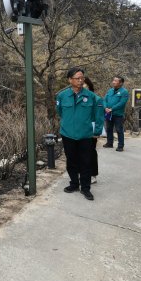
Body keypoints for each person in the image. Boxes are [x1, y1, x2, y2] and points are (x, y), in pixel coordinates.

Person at [56, 67, 104, 201]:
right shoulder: (62, 96)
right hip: (67, 134)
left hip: (85, 135)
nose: (81, 80)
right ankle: (74, 184)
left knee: (85, 162)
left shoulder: (92, 97)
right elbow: (60, 111)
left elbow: (99, 116)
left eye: (82, 78)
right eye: (77, 78)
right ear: (70, 80)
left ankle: (86, 188)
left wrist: (97, 131)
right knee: (71, 161)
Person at [84, 77, 104, 184]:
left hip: (91, 129)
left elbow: (99, 117)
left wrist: (97, 131)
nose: (82, 88)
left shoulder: (96, 99)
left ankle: (92, 174)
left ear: (89, 86)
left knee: (91, 152)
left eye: (85, 86)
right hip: (79, 129)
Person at [103, 76, 128, 151]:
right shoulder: (110, 90)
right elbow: (104, 100)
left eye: (116, 81)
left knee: (119, 130)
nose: (113, 82)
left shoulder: (124, 92)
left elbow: (122, 103)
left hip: (118, 114)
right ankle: (109, 143)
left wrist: (112, 109)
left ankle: (120, 146)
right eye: (113, 80)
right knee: (109, 128)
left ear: (121, 83)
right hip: (108, 113)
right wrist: (105, 108)